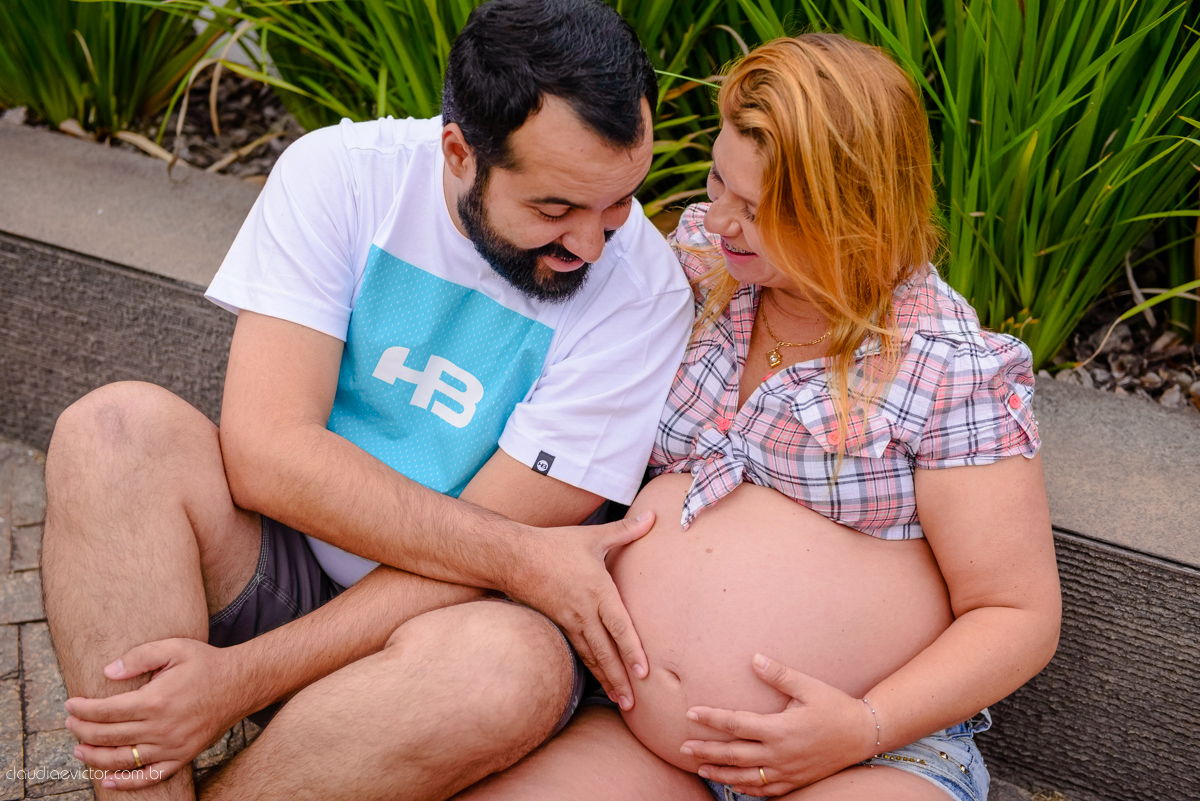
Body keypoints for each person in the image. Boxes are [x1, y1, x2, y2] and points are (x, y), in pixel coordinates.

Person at [39, 1, 693, 799]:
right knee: (112, 431)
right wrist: (518, 553)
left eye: (620, 203)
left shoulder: (646, 293)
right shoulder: (342, 173)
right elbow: (264, 454)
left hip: (445, 630)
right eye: (554, 208)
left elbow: (486, 565)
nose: (590, 244)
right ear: (459, 151)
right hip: (282, 571)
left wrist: (235, 680)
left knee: (500, 670)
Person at [453, 33, 1062, 801]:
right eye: (719, 183)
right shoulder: (699, 268)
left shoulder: (944, 365)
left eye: (761, 209)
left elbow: (1017, 611)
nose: (722, 220)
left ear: (854, 211)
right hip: (644, 735)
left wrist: (867, 723)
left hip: (870, 755)